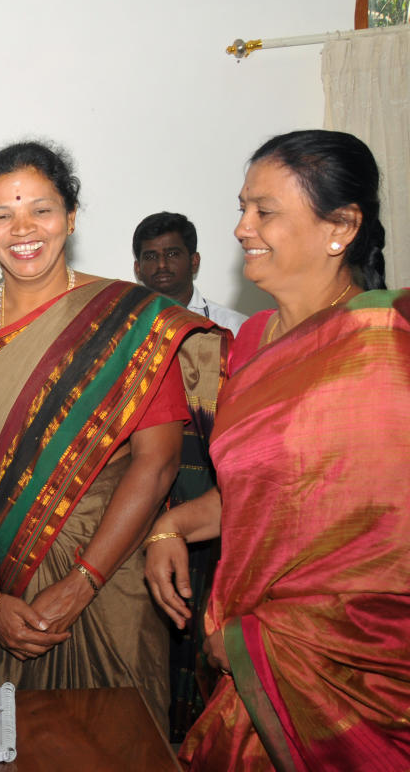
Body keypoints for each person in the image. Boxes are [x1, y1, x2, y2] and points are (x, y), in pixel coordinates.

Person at [145, 130, 410, 770]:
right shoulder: (254, 337)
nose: (242, 228)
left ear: (340, 227)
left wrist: (259, 637)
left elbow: (387, 540)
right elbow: (259, 491)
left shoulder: (388, 345)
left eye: (264, 211)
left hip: (348, 671)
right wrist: (171, 525)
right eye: (242, 208)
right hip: (247, 652)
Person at [0, 141, 225, 730]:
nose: (23, 229)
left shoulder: (132, 319)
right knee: (12, 745)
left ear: (70, 217)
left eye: (41, 210)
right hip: (2, 587)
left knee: (120, 740)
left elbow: (157, 463)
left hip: (111, 580)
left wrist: (81, 582)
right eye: (2, 215)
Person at [133, 211, 248, 335]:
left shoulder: (235, 327)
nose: (162, 265)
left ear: (194, 262)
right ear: (138, 269)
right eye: (150, 257)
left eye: (172, 254)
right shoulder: (124, 328)